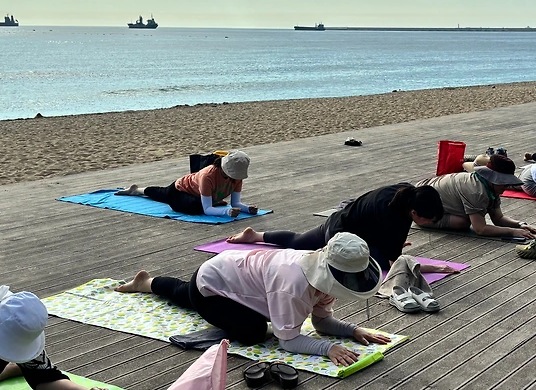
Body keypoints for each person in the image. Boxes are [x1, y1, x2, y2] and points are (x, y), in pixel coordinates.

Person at [117, 232, 392, 366]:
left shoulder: (325, 279)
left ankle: (146, 283)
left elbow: (321, 322)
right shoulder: (294, 285)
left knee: (184, 294)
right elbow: (288, 341)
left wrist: (352, 330)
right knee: (254, 331)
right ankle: (146, 284)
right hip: (213, 282)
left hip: (231, 275)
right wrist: (327, 349)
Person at [226, 182, 461, 277]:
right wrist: (432, 267)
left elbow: (386, 232)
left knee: (298, 241)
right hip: (340, 232)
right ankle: (255, 236)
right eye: (428, 220)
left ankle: (255, 236)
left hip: (346, 221)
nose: (429, 224)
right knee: (375, 266)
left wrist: (393, 242)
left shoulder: (407, 195)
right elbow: (394, 265)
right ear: (414, 213)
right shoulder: (392, 213)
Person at [416, 153, 536, 240]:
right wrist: (512, 232)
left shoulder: (491, 187)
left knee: (469, 218)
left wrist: (519, 225)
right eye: (504, 182)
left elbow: (498, 218)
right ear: (492, 178)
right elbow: (480, 229)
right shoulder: (476, 191)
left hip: (429, 194)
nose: (506, 186)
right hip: (420, 209)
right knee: (463, 222)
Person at [116, 151, 258, 218]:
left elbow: (235, 203)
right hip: (178, 190)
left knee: (164, 194)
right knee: (166, 195)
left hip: (199, 195)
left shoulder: (236, 178)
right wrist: (227, 212)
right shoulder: (208, 175)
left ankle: (137, 190)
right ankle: (136, 190)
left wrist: (247, 209)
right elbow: (207, 209)